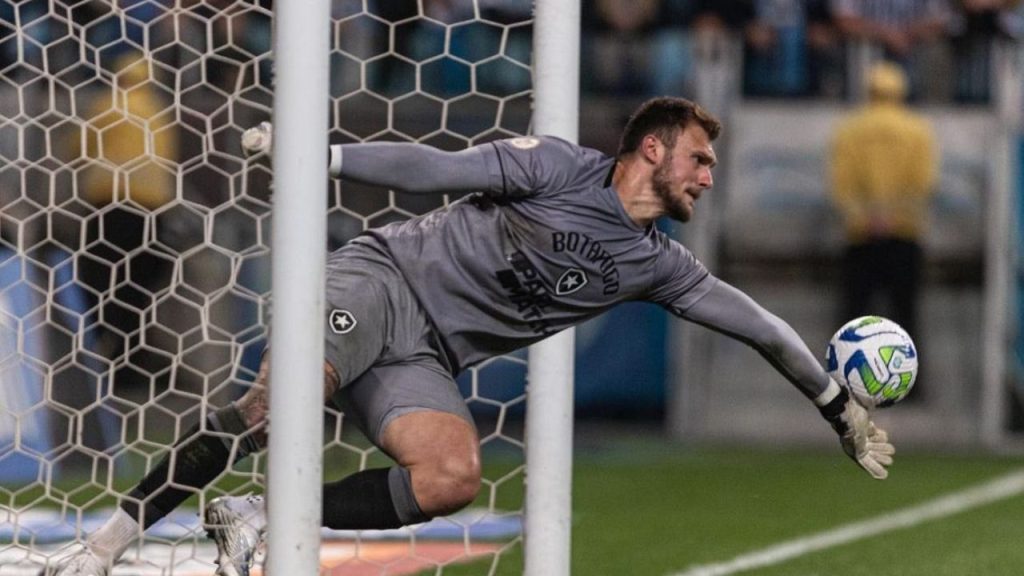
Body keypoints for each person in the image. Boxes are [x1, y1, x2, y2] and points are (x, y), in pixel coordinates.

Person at [55, 97, 895, 576]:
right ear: (654, 147)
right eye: (701, 160)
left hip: (426, 356)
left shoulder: (657, 264)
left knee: (452, 476)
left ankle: (253, 511)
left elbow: (760, 325)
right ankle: (103, 547)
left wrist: (838, 409)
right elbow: (435, 168)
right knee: (280, 410)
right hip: (382, 280)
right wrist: (327, 156)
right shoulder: (558, 168)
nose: (709, 178)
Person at [829, 62, 937, 364]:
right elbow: (923, 183)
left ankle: (844, 385)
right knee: (906, 315)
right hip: (905, 233)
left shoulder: (849, 129)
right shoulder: (918, 130)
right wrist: (895, 217)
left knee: (854, 318)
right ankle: (910, 386)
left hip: (860, 235)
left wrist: (866, 217)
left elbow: (841, 184)